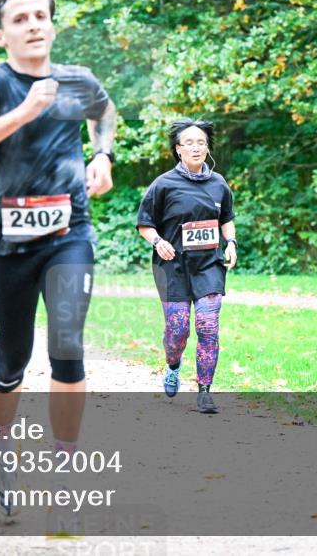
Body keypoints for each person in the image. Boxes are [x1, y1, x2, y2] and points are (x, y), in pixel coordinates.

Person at [0, 0, 117, 517]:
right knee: (11, 360)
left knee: (67, 345)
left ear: (52, 25)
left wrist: (103, 155)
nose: (34, 25)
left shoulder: (77, 80)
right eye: (20, 19)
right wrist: (22, 112)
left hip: (69, 233)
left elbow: (104, 111)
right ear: (1, 36)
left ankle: (64, 468)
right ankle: (3, 448)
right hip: (5, 244)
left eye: (41, 16)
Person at [136, 119, 236, 414]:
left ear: (208, 148)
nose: (196, 147)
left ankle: (205, 391)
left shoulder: (219, 184)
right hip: (172, 266)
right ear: (178, 149)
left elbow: (227, 219)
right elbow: (144, 224)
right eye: (189, 143)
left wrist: (231, 243)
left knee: (208, 326)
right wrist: (158, 242)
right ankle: (173, 365)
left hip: (208, 265)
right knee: (177, 331)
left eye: (201, 142)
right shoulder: (163, 184)